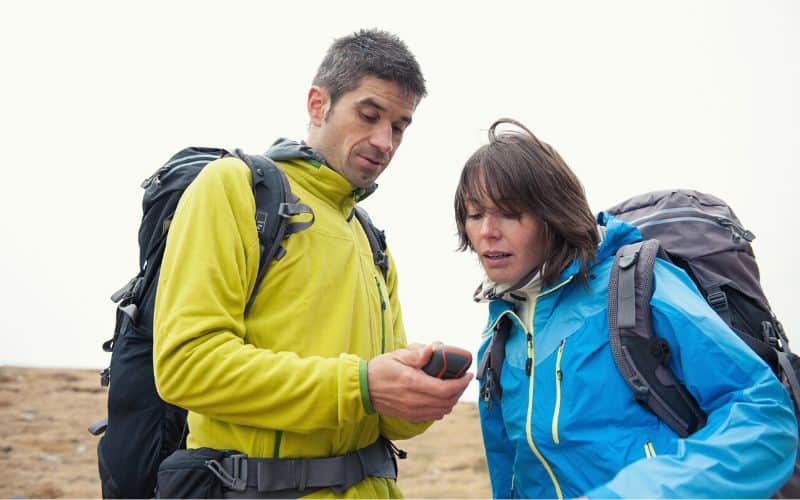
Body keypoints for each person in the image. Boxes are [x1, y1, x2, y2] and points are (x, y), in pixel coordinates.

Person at [152, 29, 472, 498]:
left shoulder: (370, 238)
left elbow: (386, 419)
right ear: (317, 103)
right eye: (369, 115)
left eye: (400, 126)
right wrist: (360, 384)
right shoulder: (235, 188)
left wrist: (414, 394)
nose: (384, 141)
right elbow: (186, 365)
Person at [454, 118, 798, 498]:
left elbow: (764, 416)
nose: (487, 231)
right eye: (474, 215)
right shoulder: (501, 335)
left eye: (508, 212)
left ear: (552, 214)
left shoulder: (637, 288)